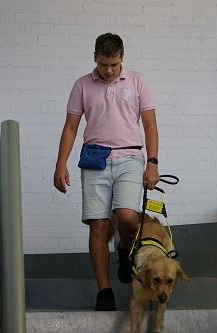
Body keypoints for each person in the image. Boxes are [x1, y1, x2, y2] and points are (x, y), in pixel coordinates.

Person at [53, 33, 160, 311]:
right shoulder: (82, 85)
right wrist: (60, 162)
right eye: (103, 65)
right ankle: (105, 292)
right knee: (99, 225)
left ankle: (124, 250)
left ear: (122, 57)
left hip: (130, 157)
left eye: (113, 64)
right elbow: (70, 127)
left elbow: (149, 125)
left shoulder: (138, 81)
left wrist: (153, 162)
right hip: (95, 159)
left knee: (126, 216)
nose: (109, 70)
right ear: (95, 58)